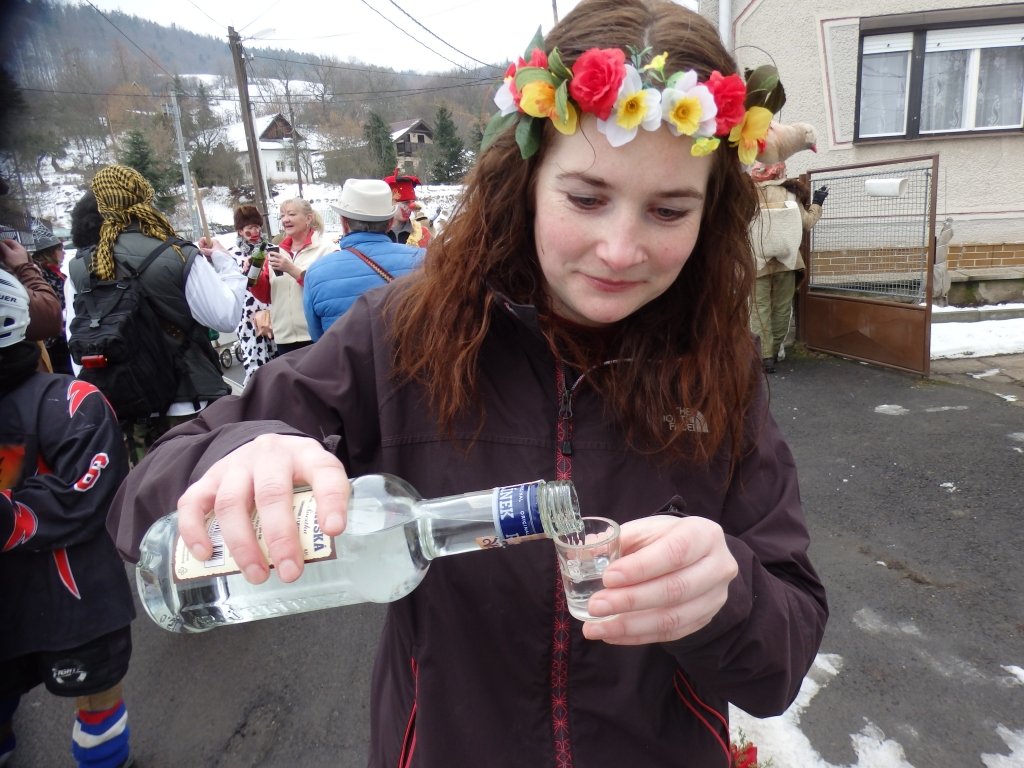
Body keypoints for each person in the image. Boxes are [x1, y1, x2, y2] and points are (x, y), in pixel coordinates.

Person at [108, 1, 828, 765]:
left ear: (709, 214)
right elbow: (143, 502)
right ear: (527, 181)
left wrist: (727, 598)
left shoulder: (720, 365)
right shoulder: (405, 332)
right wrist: (241, 454)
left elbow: (779, 666)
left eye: (669, 210)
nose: (620, 250)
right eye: (586, 198)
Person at [0, 273, 135, 768]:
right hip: (68, 602)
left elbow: (84, 496)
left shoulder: (70, 400)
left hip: (72, 597)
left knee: (96, 701)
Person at [64, 167, 246, 464]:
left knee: (146, 490)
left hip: (123, 408)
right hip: (188, 401)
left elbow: (78, 344)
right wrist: (227, 265)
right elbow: (225, 317)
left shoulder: (80, 266)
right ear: (143, 198)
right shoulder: (176, 254)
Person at [303, 179, 425, 340]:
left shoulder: (316, 273)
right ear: (390, 223)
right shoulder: (423, 260)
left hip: (344, 356)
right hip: (406, 355)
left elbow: (318, 338)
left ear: (344, 222)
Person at [748, 161, 828, 372]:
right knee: (782, 308)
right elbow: (807, 223)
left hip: (756, 262)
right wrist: (817, 202)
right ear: (780, 172)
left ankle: (764, 356)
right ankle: (774, 352)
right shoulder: (791, 194)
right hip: (788, 261)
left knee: (759, 309)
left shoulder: (746, 195)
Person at [200, 205, 276, 386]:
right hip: (246, 316)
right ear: (240, 231)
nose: (254, 232)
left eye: (257, 227)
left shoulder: (273, 250)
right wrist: (212, 258)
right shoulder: (231, 255)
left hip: (273, 311)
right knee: (255, 362)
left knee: (277, 357)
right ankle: (256, 395)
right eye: (249, 228)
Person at [247, 197, 333, 357]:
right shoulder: (275, 252)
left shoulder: (326, 249)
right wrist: (254, 276)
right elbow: (266, 296)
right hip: (284, 338)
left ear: (308, 218)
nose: (285, 219)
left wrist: (291, 269)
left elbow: (327, 290)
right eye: (282, 216)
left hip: (316, 335)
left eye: (291, 214)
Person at [1, 237, 62, 372]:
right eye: (59, 249)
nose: (63, 253)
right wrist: (24, 267)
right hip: (17, 370)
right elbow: (49, 316)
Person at [29, 223, 74, 374]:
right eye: (60, 249)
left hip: (61, 337)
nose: (64, 252)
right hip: (54, 342)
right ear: (49, 252)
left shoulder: (53, 273)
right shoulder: (43, 275)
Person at [383, 168, 431, 247]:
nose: (411, 206)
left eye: (413, 202)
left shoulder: (423, 234)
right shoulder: (375, 234)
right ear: (391, 202)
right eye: (405, 202)